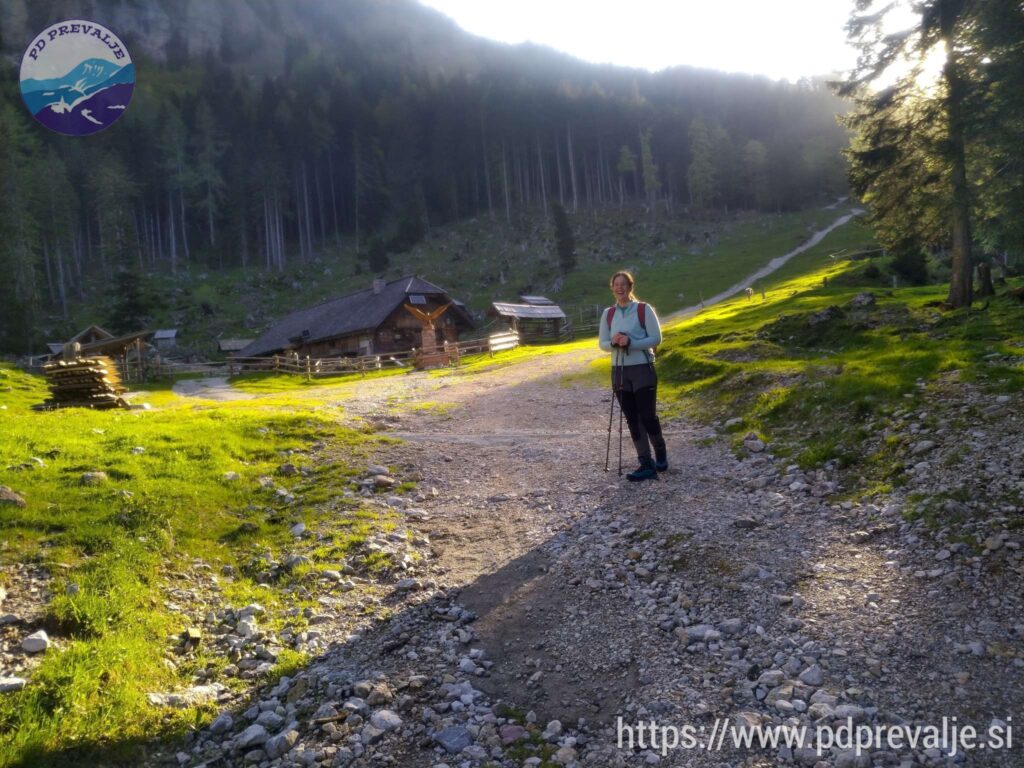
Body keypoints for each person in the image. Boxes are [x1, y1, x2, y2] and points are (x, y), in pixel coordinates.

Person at [598, 271, 667, 481]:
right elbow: (602, 343)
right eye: (616, 284)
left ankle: (660, 452)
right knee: (632, 418)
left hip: (643, 369)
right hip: (619, 371)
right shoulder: (608, 314)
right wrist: (613, 342)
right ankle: (646, 463)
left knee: (647, 416)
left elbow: (657, 338)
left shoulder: (643, 309)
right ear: (612, 288)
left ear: (630, 287)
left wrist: (631, 343)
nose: (619, 288)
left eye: (623, 284)